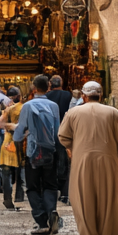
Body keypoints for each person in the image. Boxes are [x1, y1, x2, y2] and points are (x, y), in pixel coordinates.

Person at [58, 81, 118, 235]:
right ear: (101, 95)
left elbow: (63, 136)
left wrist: (75, 148)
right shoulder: (112, 112)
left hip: (82, 161)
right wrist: (115, 155)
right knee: (107, 202)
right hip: (108, 162)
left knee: (83, 202)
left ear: (83, 96)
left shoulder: (74, 112)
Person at [12, 75, 64, 235]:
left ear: (34, 89)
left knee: (33, 187)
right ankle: (51, 211)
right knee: (50, 185)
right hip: (50, 151)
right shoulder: (53, 106)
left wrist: (18, 139)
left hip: (33, 152)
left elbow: (19, 131)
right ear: (48, 88)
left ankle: (41, 221)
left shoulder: (27, 106)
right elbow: (57, 130)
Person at [0, 86, 26, 210]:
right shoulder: (27, 108)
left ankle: (8, 198)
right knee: (20, 171)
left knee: (7, 172)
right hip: (22, 142)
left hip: (9, 143)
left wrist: (11, 126)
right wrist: (16, 126)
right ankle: (19, 197)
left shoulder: (10, 109)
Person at [46, 75, 74, 203]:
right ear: (62, 83)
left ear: (50, 84)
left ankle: (51, 186)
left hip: (49, 131)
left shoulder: (46, 96)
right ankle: (64, 190)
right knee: (63, 160)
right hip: (64, 129)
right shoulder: (67, 95)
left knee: (51, 159)